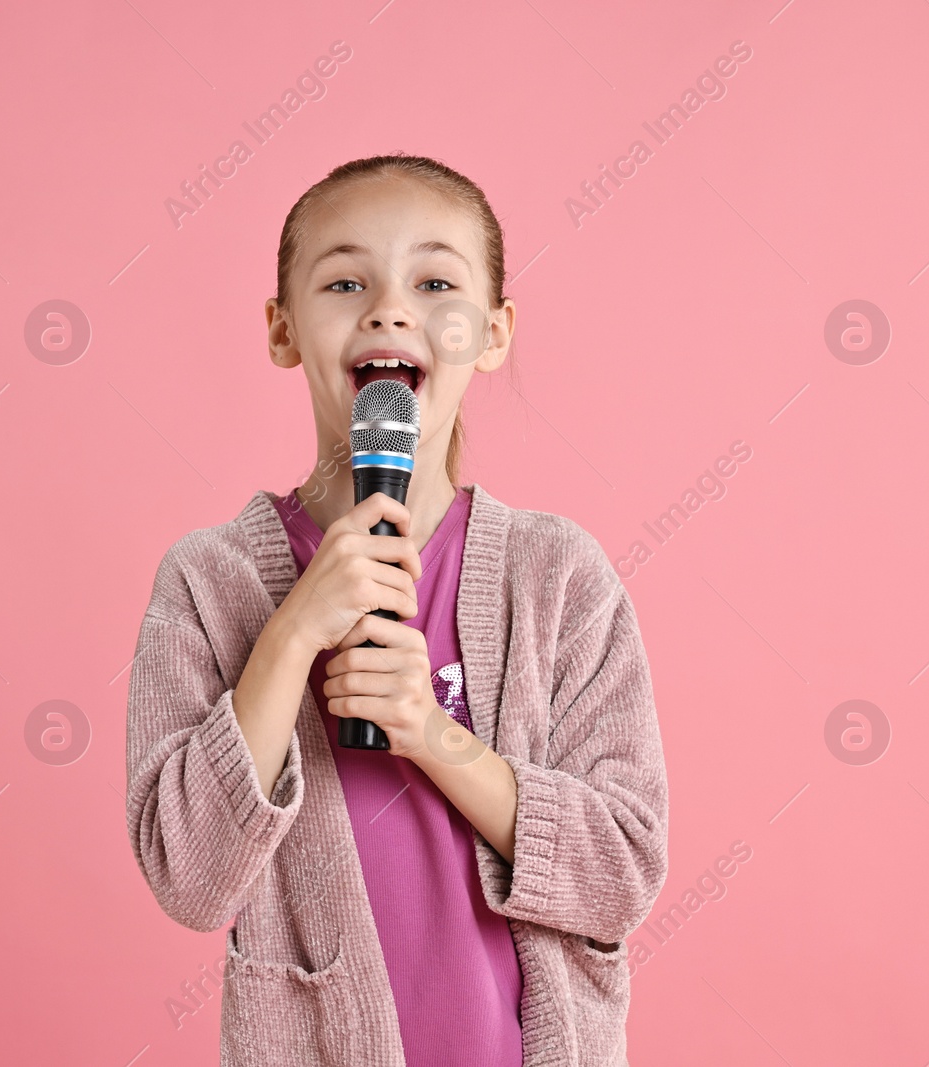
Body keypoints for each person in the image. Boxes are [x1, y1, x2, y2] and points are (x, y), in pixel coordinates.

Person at [124, 153, 669, 1067]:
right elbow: (191, 877)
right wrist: (291, 632)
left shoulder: (558, 577)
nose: (389, 308)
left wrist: (431, 732)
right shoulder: (209, 582)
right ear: (282, 327)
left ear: (492, 332)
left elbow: (619, 872)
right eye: (345, 280)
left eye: (435, 281)